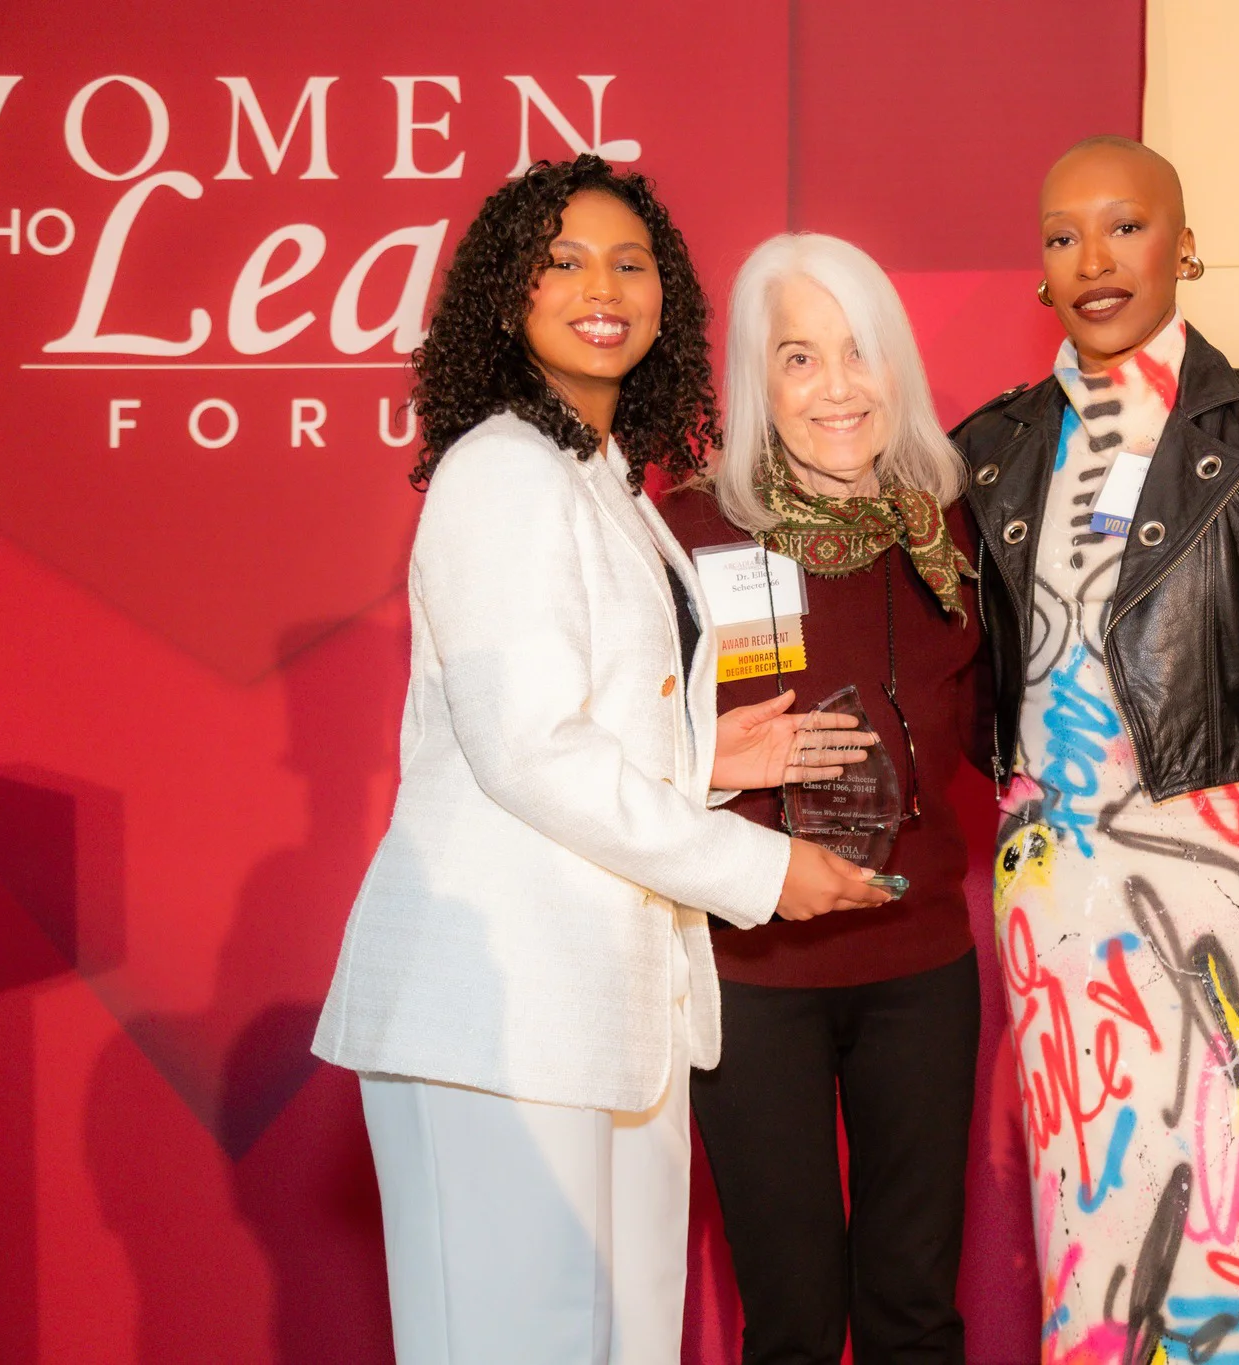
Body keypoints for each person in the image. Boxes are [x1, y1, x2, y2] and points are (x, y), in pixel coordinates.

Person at [311, 156, 889, 1365]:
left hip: (608, 1016)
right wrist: (754, 865)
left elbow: (585, 722)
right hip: (500, 1015)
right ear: (505, 292)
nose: (602, 286)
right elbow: (526, 747)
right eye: (563, 261)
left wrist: (708, 761)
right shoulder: (501, 470)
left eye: (631, 263)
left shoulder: (604, 478)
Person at [952, 136, 1239, 1365]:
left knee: (1219, 1236)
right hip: (1053, 893)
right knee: (1083, 1223)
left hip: (1217, 887)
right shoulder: (986, 451)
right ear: (1038, 267)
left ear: (1182, 246)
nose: (1093, 260)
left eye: (1124, 228)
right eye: (1062, 236)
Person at [661, 232, 986, 1365]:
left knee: (914, 1312)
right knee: (793, 1320)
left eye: (859, 351)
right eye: (799, 358)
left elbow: (1001, 720)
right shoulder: (689, 532)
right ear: (757, 379)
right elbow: (616, 756)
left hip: (921, 966)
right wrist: (712, 767)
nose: (837, 387)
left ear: (897, 365)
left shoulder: (948, 530)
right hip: (755, 973)